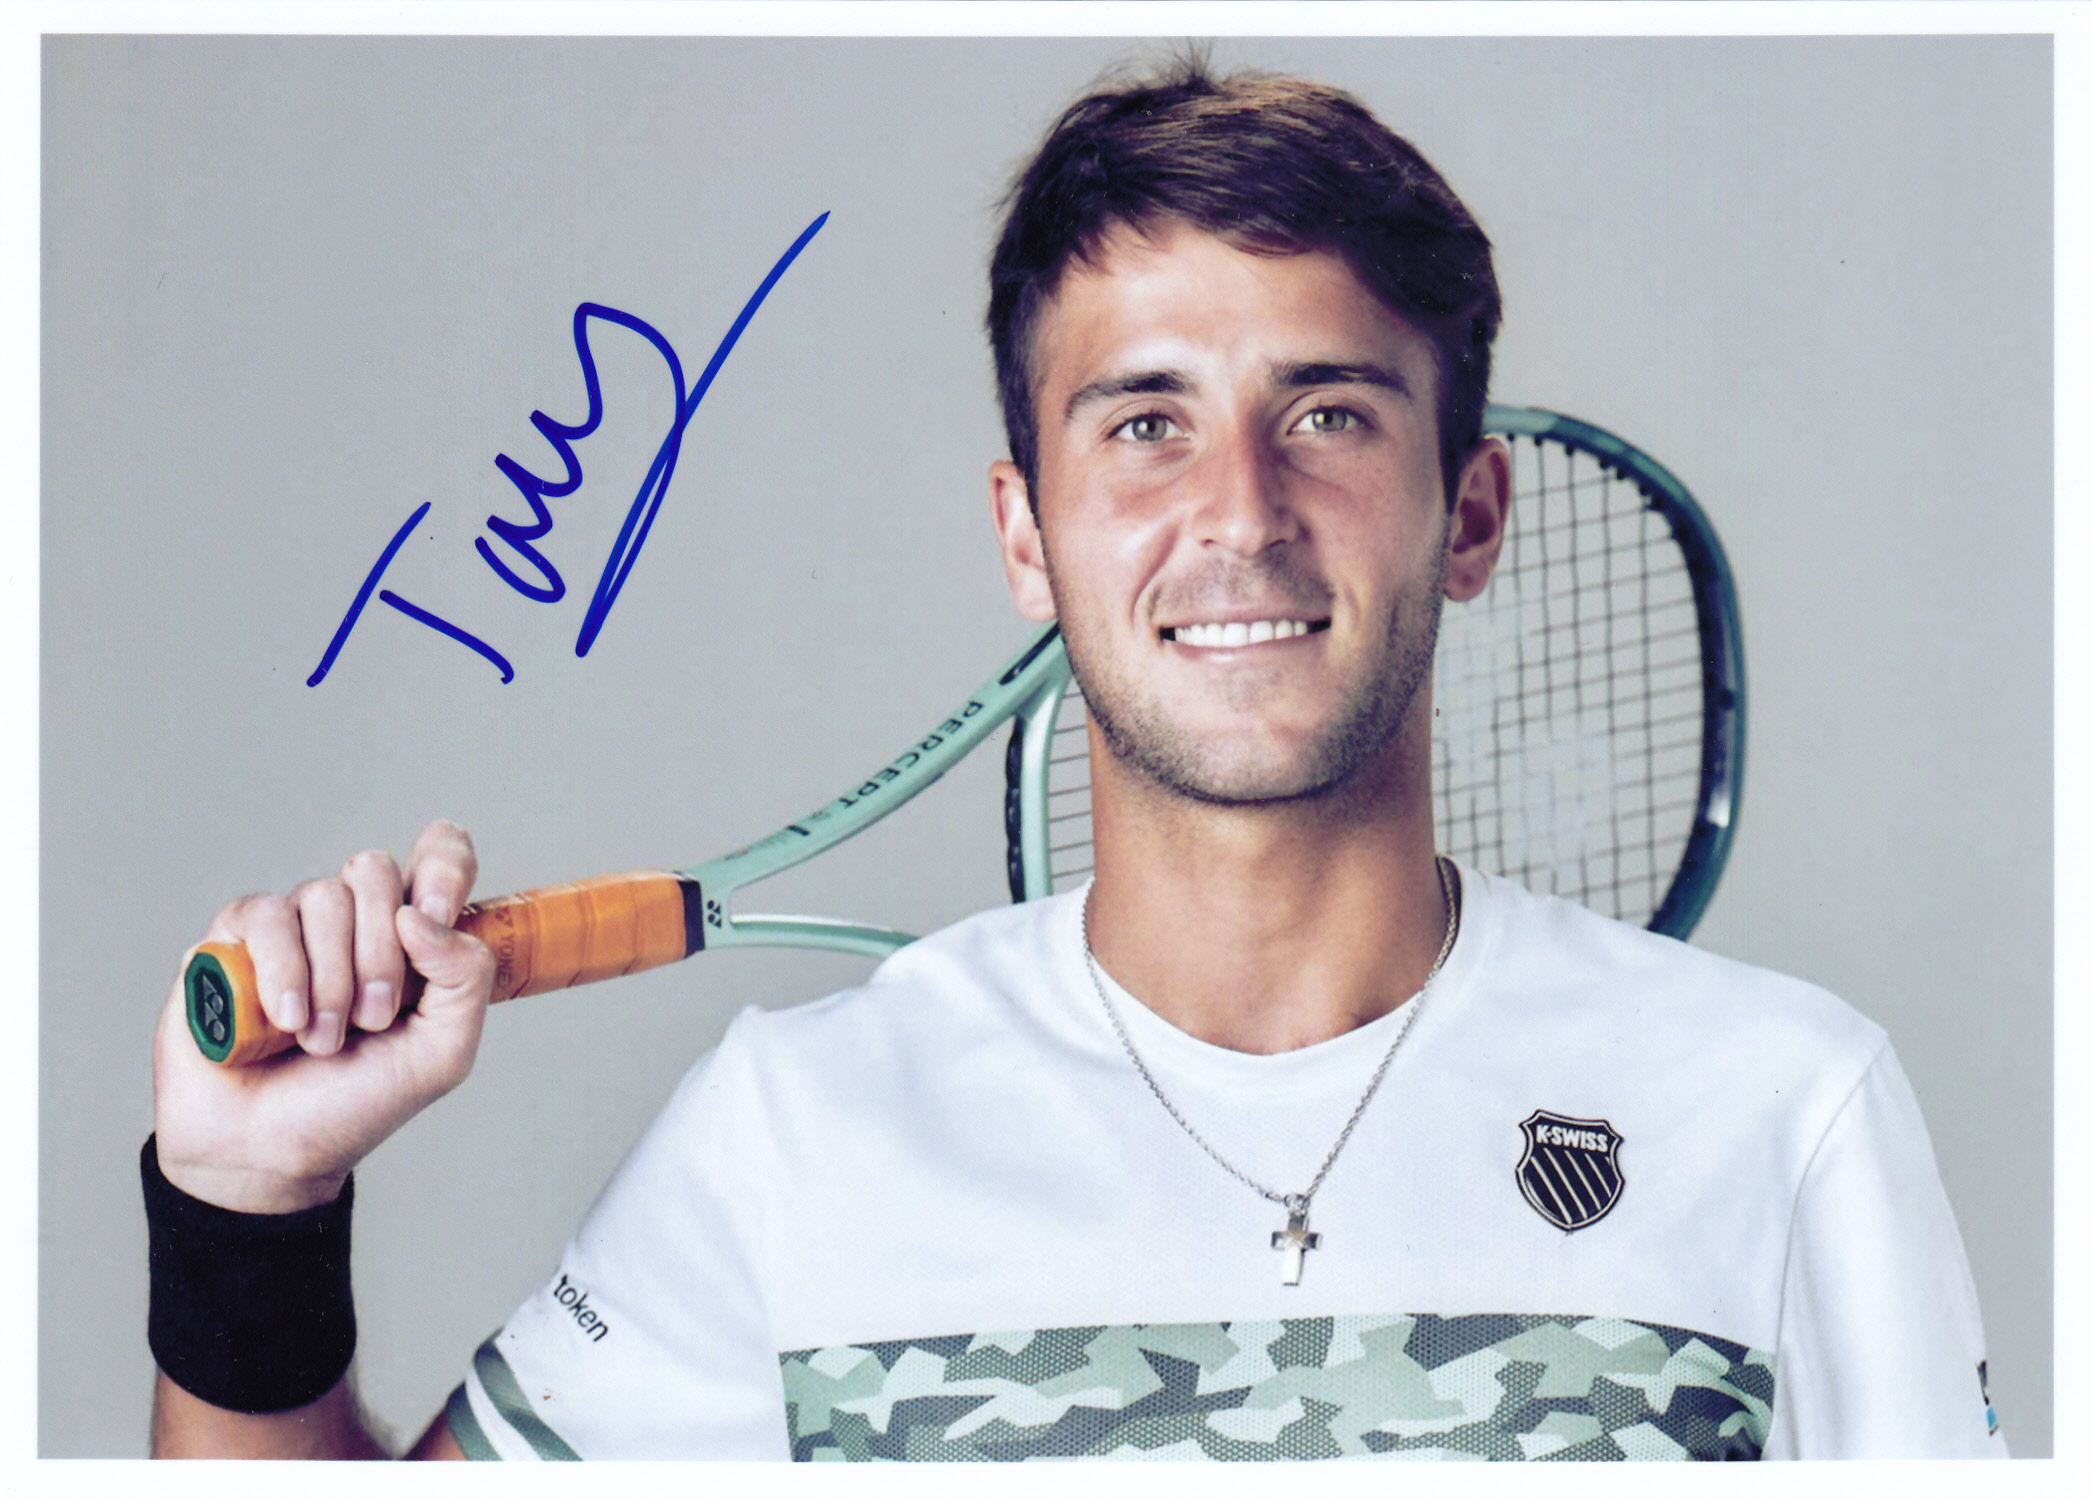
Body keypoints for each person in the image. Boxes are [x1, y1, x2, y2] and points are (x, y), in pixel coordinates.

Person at [145, 60, 2004, 1462]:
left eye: (1328, 413)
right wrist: (247, 1215)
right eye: (1144, 425)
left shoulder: (1784, 1111)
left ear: (1470, 511)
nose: (1241, 513)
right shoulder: (795, 1140)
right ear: (1026, 536)